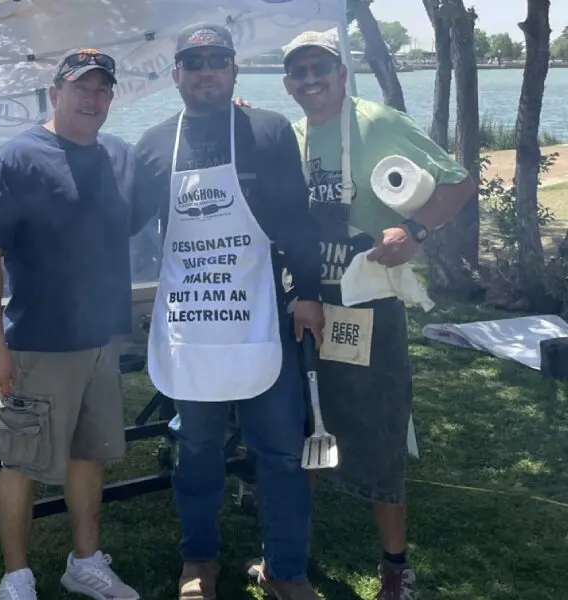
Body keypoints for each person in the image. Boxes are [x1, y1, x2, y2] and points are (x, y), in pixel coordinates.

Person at [267, 30, 476, 600]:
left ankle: (395, 567)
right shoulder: (291, 135)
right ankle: (289, 560)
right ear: (288, 82)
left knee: (380, 427)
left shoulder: (377, 121)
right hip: (308, 301)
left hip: (368, 305)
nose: (311, 81)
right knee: (301, 426)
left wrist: (414, 230)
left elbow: (458, 181)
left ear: (342, 71)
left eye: (320, 69)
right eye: (299, 72)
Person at [131, 23, 326, 600]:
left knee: (283, 453)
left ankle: (286, 570)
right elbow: (125, 226)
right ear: (176, 77)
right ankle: (199, 563)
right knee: (195, 452)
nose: (207, 71)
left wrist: (310, 291)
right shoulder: (152, 144)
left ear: (235, 70)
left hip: (260, 320)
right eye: (194, 62)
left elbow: (296, 219)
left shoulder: (267, 131)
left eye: (218, 60)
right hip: (191, 328)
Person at [0, 49, 141, 600]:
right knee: (23, 463)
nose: (92, 99)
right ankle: (16, 578)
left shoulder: (120, 157)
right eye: (81, 88)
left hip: (100, 341)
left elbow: (174, 166)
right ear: (54, 93)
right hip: (38, 342)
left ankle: (84, 561)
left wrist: (230, 115)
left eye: (102, 90)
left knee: (91, 455)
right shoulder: (13, 160)